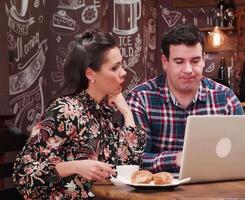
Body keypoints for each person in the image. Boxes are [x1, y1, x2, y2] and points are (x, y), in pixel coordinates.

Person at [13, 30, 146, 199]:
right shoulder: (64, 110)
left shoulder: (103, 112)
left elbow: (129, 164)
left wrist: (127, 112)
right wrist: (74, 166)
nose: (123, 72)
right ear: (90, 74)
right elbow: (23, 176)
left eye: (121, 65)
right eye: (114, 68)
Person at [126, 24, 244, 173]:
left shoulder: (225, 98)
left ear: (203, 60)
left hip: (212, 189)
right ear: (165, 62)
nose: (188, 70)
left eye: (195, 61)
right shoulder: (140, 98)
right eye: (179, 62)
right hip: (158, 192)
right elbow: (134, 159)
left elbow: (244, 155)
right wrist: (176, 159)